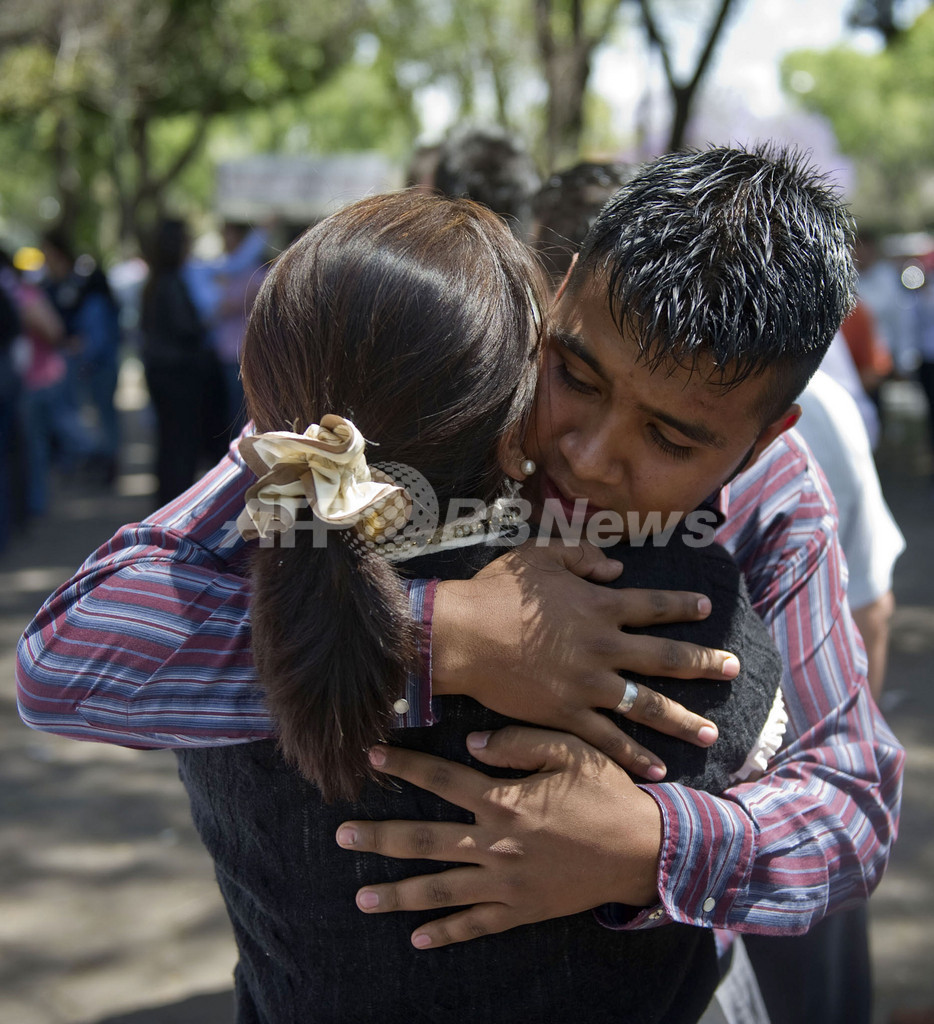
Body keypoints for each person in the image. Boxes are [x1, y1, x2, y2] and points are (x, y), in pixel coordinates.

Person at [16, 147, 904, 1008]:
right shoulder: (425, 401)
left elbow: (853, 807)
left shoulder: (773, 496)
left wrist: (649, 846)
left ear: (765, 438)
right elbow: (69, 658)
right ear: (554, 303)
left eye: (671, 441)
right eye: (575, 376)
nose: (590, 456)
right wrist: (440, 636)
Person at [743, 367, 905, 1023]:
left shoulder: (810, 427)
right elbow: (873, 614)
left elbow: (868, 614)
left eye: (675, 437)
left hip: (775, 834)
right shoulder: (823, 406)